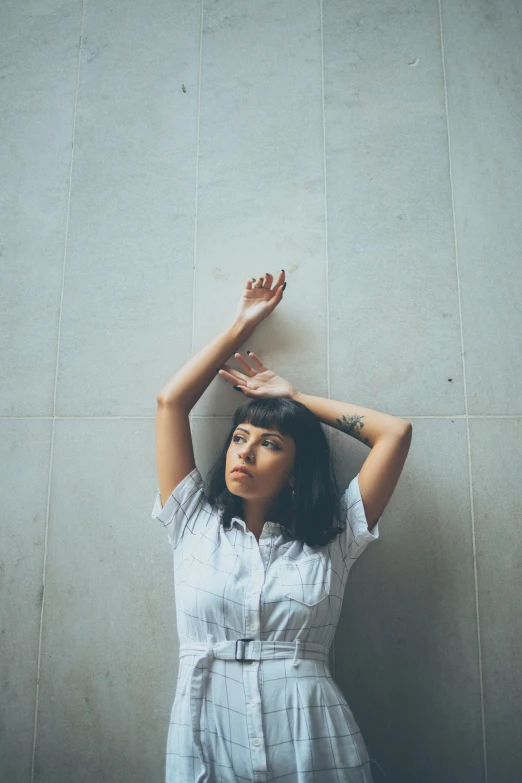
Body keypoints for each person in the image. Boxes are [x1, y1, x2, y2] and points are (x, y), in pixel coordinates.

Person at [152, 271, 412, 782]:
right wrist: (240, 326)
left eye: (270, 443)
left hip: (312, 741)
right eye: (240, 437)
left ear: (296, 474)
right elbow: (170, 404)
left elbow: (394, 434)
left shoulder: (334, 539)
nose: (245, 450)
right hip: (206, 735)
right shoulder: (192, 523)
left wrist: (295, 399)